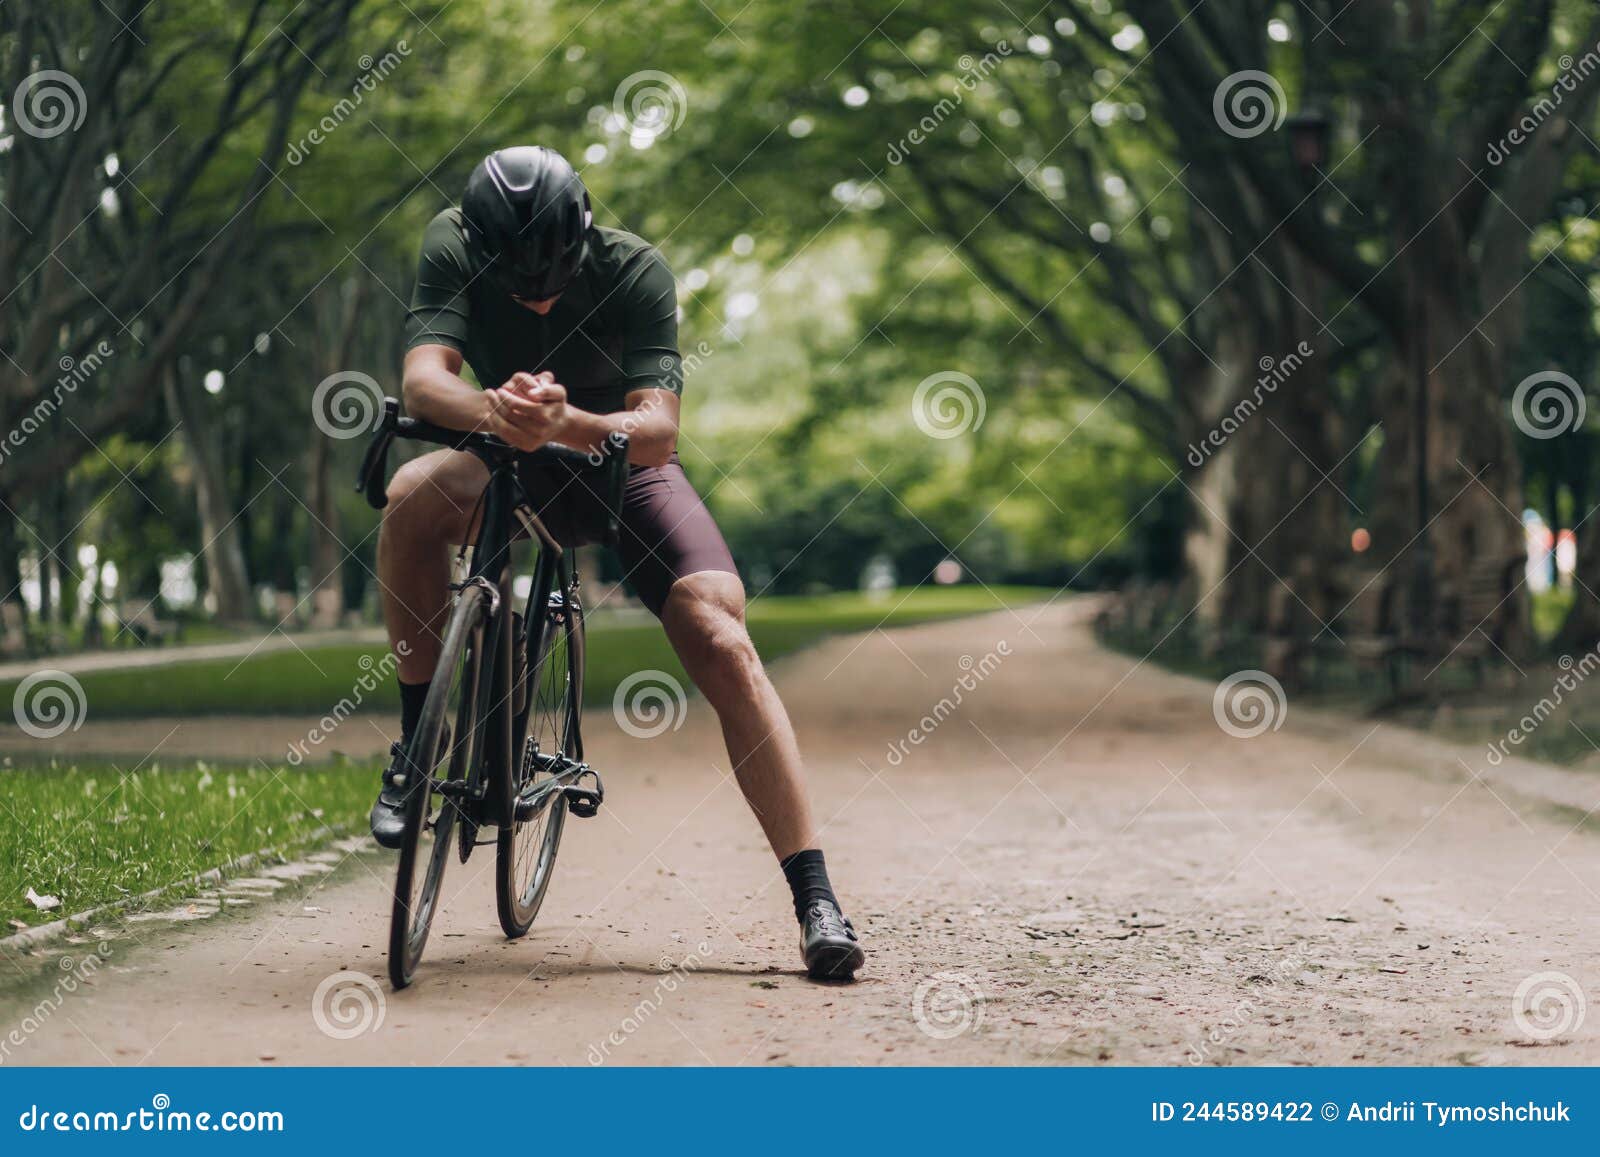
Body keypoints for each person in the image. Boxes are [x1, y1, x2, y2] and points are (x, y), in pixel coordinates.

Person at [368, 145, 864, 980]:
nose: (537, 295)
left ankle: (815, 896)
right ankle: (420, 745)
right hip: (502, 452)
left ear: (582, 235)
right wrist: (497, 411)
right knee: (409, 499)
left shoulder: (636, 269)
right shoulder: (450, 242)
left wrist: (563, 421)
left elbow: (659, 430)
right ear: (482, 245)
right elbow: (423, 383)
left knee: (722, 635)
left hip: (619, 471)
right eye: (517, 281)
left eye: (552, 278)